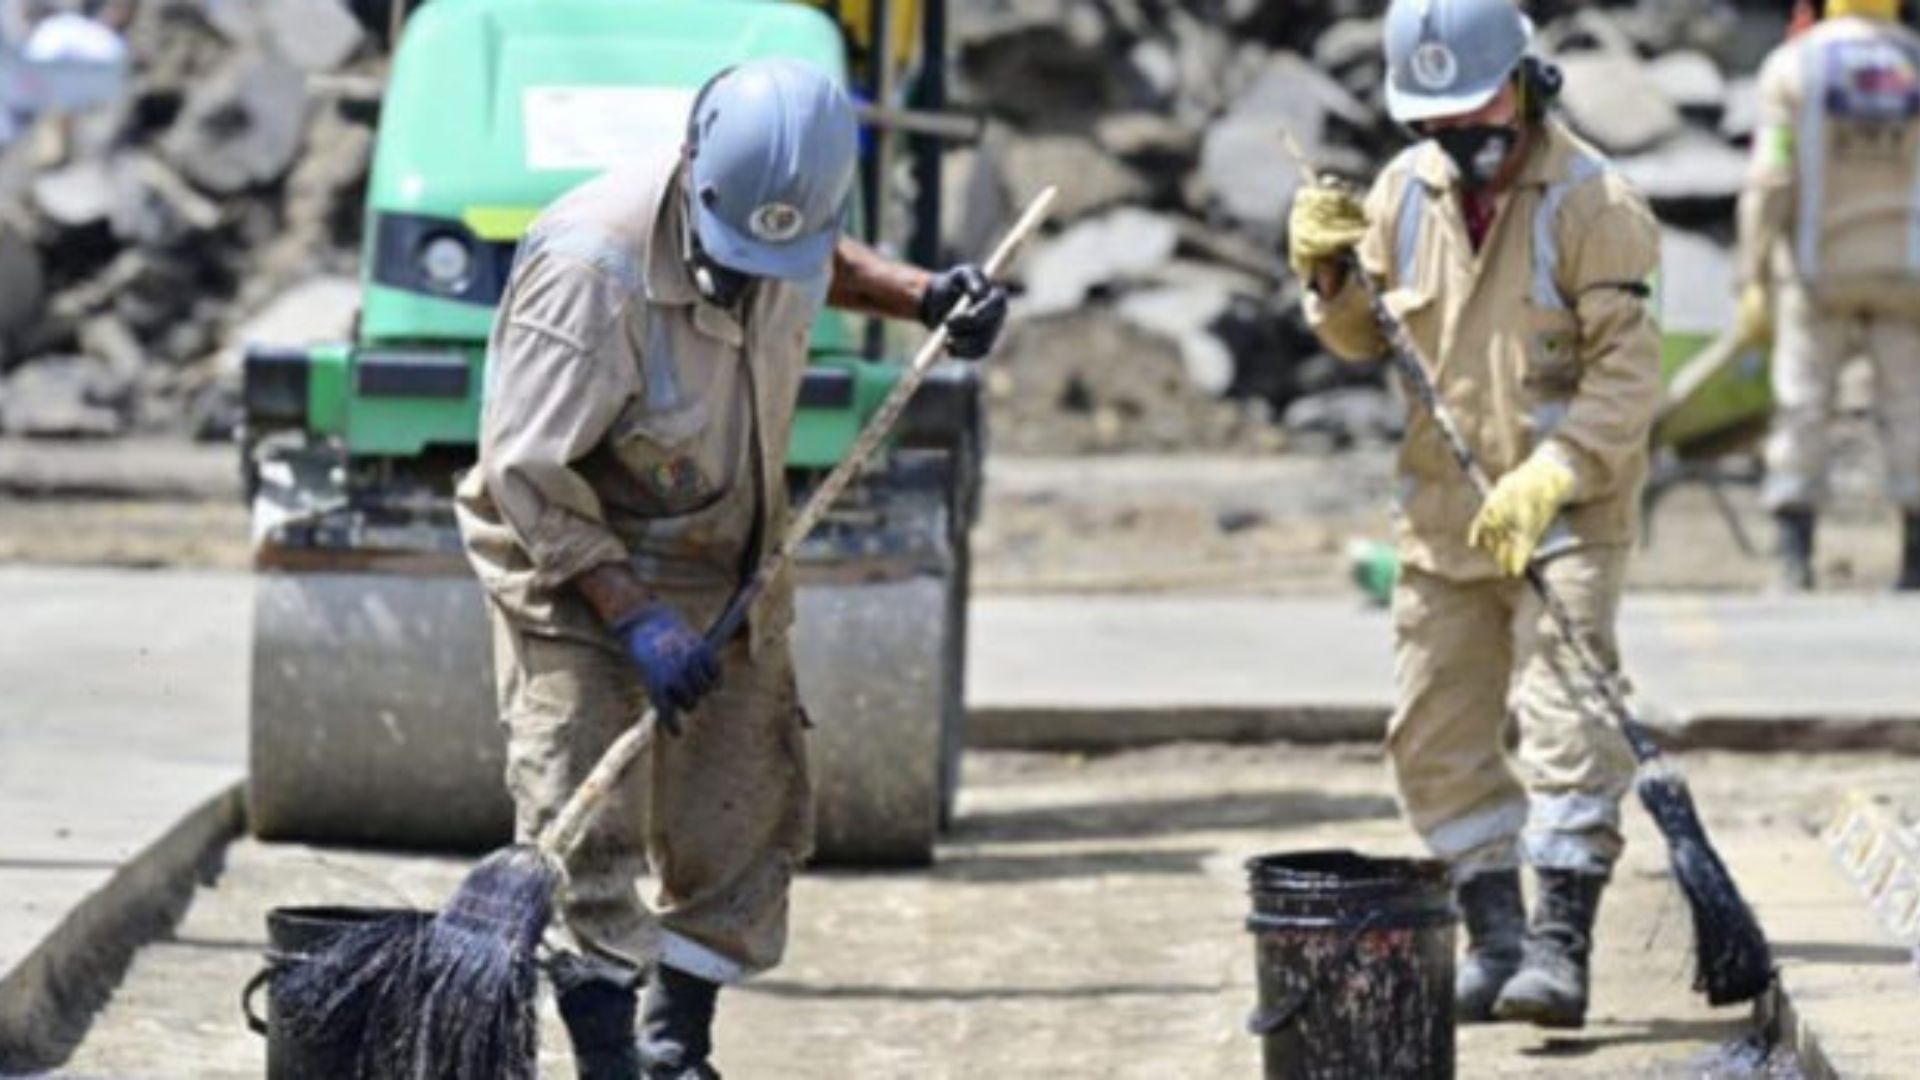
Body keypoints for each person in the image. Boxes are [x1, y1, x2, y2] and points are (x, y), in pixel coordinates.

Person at [455, 58, 1007, 1079]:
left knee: (746, 806)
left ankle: (675, 1047)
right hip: (573, 558)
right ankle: (610, 1062)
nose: (757, 273)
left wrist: (925, 295)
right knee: (584, 818)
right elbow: (524, 473)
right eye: (738, 253)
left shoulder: (772, 224)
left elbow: (817, 255)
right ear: (696, 167)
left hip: (724, 552)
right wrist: (632, 615)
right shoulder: (593, 269)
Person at [1288, 0, 1663, 1029]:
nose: (1460, 133)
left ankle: (1559, 943)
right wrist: (1327, 275)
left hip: (1565, 513)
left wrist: (1555, 470)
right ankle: (1495, 934)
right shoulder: (1405, 193)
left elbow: (1629, 379)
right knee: (1433, 730)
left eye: (1477, 105)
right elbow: (1368, 339)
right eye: (1435, 117)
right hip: (1444, 516)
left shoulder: (1598, 204)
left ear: (1528, 81)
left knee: (1568, 715)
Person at [1736, 0, 1920, 592]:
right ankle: (1914, 558)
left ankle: (1793, 557)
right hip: (1906, 271)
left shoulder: (1794, 66)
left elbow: (1772, 176)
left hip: (1819, 269)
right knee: (1910, 406)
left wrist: (1753, 271)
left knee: (1802, 399)